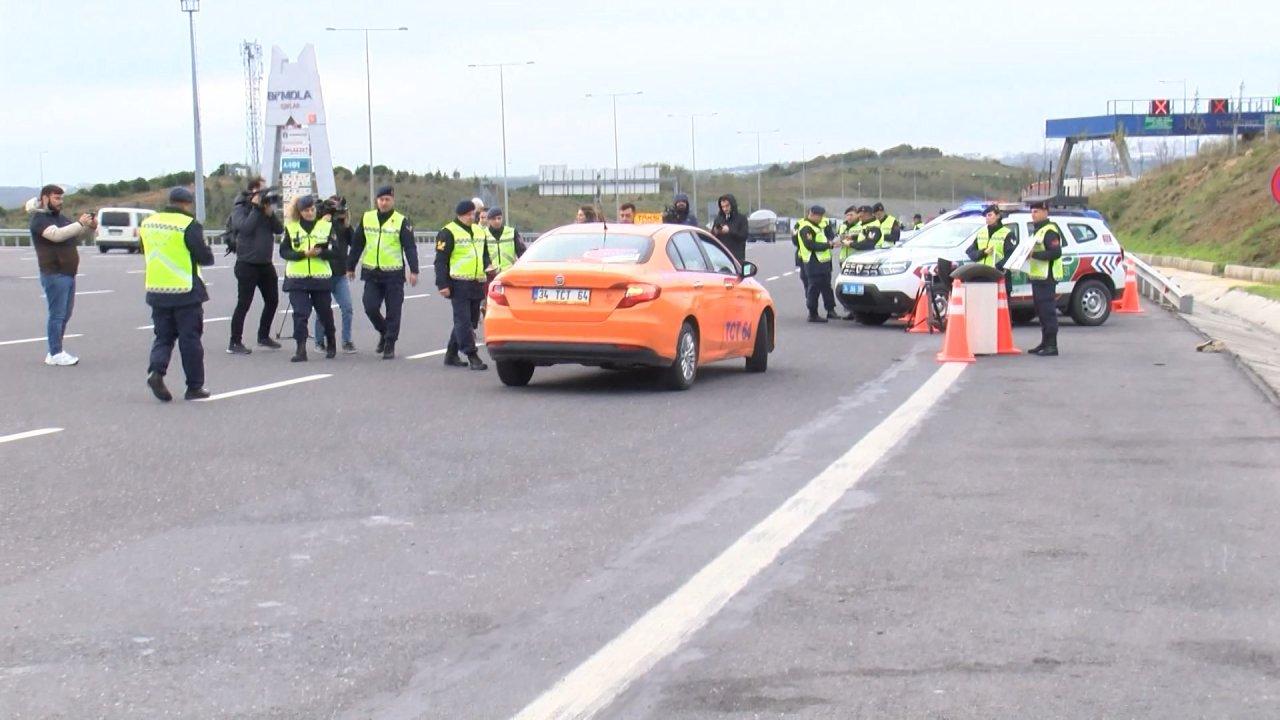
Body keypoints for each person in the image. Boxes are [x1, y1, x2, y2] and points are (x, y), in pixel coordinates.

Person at [141, 187, 215, 401]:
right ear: (187, 204)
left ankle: (156, 372)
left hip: (156, 289)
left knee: (163, 336)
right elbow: (204, 257)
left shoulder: (148, 223)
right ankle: (194, 386)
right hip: (185, 290)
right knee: (190, 339)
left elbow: (143, 249)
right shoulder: (188, 225)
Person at [347, 185, 419, 359]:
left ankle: (389, 343)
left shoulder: (401, 221)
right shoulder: (367, 218)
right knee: (369, 306)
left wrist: (414, 270)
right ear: (376, 201)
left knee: (394, 310)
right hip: (372, 272)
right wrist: (350, 266)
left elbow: (409, 247)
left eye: (387, 199)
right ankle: (384, 331)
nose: (384, 202)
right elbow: (357, 244)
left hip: (393, 273)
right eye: (381, 199)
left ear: (393, 200)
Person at [29, 184, 95, 366]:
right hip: (54, 273)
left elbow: (73, 236)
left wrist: (88, 226)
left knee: (65, 314)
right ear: (45, 198)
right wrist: (79, 223)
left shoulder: (61, 218)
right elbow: (56, 235)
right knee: (57, 315)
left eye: (62, 198)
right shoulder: (39, 219)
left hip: (68, 273)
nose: (60, 202)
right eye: (56, 198)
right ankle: (55, 352)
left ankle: (55, 350)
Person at [227, 177, 284, 355]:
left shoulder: (265, 210)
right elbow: (244, 228)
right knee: (244, 303)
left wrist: (269, 212)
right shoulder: (240, 208)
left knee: (272, 300)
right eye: (262, 190)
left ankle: (263, 336)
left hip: (265, 264)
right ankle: (234, 342)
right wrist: (256, 209)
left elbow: (279, 229)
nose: (265, 193)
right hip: (247, 264)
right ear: (252, 192)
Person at [280, 195, 337, 362]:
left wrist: (322, 252)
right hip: (297, 278)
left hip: (320, 278)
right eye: (306, 210)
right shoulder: (291, 228)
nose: (310, 213)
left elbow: (336, 252)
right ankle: (301, 349)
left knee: (325, 313)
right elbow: (284, 252)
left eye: (312, 209)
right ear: (300, 212)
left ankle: (331, 342)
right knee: (300, 313)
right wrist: (303, 254)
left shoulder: (325, 227)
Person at [435, 200, 489, 370]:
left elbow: (484, 254)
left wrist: (488, 266)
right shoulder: (448, 232)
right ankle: (472, 355)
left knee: (470, 321)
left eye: (473, 214)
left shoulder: (479, 231)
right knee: (463, 321)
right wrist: (442, 284)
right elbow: (440, 261)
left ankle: (451, 354)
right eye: (468, 215)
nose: (472, 217)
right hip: (458, 283)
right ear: (460, 215)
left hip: (476, 282)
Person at [313, 195, 356, 354]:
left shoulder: (344, 227)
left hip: (340, 274)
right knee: (322, 310)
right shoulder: (321, 224)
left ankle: (346, 341)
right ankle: (319, 341)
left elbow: (355, 243)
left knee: (347, 307)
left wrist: (347, 223)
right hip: (323, 273)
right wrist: (323, 221)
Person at [1025, 199, 1063, 356]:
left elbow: (1055, 252)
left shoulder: (1049, 230)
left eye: (1036, 211)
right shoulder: (1038, 230)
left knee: (1048, 312)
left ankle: (1052, 345)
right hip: (1038, 277)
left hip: (1047, 277)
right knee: (1040, 311)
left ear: (1045, 212)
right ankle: (1044, 342)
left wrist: (1035, 254)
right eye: (1032, 211)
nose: (1033, 214)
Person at [795, 205, 839, 322]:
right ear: (812, 214)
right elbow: (810, 245)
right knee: (813, 288)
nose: (821, 218)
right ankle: (813, 313)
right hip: (813, 263)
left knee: (826, 287)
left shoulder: (818, 226)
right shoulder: (806, 228)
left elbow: (828, 237)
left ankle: (830, 310)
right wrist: (828, 245)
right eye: (819, 216)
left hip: (823, 263)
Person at [483, 207, 526, 277]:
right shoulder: (484, 234)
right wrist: (487, 265)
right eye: (494, 219)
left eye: (499, 218)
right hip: (491, 274)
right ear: (489, 220)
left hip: (510, 273)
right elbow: (483, 254)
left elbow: (521, 252)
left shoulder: (512, 232)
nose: (497, 221)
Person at [710, 194, 748, 263]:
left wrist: (729, 231)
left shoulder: (741, 219)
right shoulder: (718, 219)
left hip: (737, 257)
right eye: (722, 207)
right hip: (721, 257)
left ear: (732, 205)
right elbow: (712, 236)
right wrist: (715, 231)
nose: (725, 209)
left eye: (727, 206)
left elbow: (744, 236)